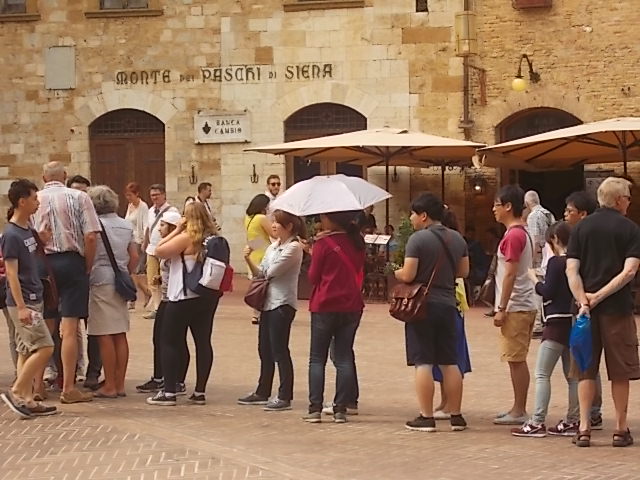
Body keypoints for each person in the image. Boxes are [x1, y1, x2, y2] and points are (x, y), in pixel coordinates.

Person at [566, 177, 640, 448]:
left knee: (585, 369)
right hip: (617, 309)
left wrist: (583, 299)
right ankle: (620, 428)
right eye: (628, 197)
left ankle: (584, 427)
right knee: (620, 371)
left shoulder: (581, 228)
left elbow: (571, 269)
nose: (629, 202)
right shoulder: (630, 229)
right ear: (619, 200)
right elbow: (629, 271)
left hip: (584, 312)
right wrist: (599, 296)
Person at [394, 194, 469, 433]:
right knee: (449, 360)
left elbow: (408, 274)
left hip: (423, 306)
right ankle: (456, 416)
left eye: (413, 214)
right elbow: (463, 271)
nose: (411, 218)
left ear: (424, 215)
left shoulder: (418, 239)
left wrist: (397, 273)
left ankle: (426, 416)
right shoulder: (457, 238)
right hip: (448, 304)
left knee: (423, 361)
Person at [32, 162, 100, 404]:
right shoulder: (80, 197)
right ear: (65, 176)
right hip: (71, 261)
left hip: (42, 264)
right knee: (70, 328)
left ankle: (37, 385)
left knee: (45, 326)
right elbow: (90, 236)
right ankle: (68, 387)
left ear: (43, 177)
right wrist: (87, 265)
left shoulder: (35, 199)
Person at [147, 202, 222, 406]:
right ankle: (200, 391)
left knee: (169, 341)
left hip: (183, 296)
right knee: (203, 342)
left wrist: (177, 229)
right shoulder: (212, 238)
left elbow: (159, 250)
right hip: (206, 296)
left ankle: (169, 392)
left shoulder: (187, 237)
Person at [510, 221, 578, 437]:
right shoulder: (577, 261)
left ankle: (537, 421)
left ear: (555, 239)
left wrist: (533, 279)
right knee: (572, 375)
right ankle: (574, 419)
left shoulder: (557, 262)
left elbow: (547, 291)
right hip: (572, 320)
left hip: (555, 322)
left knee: (542, 373)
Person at [0, 179, 57, 418]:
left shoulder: (26, 230)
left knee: (25, 350)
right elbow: (11, 273)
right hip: (24, 301)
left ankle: (28, 398)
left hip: (34, 296)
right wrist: (21, 306)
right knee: (45, 346)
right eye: (34, 198)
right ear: (22, 201)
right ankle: (16, 391)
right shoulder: (11, 235)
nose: (38, 202)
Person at [238, 210, 304, 411]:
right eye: (273, 222)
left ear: (289, 226)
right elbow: (260, 272)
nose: (273, 226)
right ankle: (262, 391)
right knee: (264, 348)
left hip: (282, 303)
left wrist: (262, 271)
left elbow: (271, 272)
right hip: (267, 302)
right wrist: (248, 259)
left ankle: (285, 395)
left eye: (277, 223)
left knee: (279, 350)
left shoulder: (294, 247)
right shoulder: (273, 246)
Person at [302, 210, 365, 424]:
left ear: (331, 219)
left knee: (317, 359)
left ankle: (315, 408)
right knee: (344, 357)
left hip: (325, 304)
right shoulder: (357, 242)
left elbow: (313, 277)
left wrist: (313, 254)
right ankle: (341, 409)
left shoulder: (324, 244)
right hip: (351, 305)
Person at [85, 186, 138, 399]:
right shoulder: (126, 224)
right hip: (120, 279)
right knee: (119, 332)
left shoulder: (94, 225)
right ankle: (120, 383)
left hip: (100, 278)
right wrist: (126, 272)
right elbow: (134, 255)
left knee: (104, 333)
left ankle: (109, 385)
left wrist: (87, 269)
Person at [491, 184, 536, 425]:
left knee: (516, 359)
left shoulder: (514, 235)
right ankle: (517, 407)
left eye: (497, 205)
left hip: (516, 304)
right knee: (515, 358)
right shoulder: (522, 233)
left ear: (508, 206)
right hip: (523, 302)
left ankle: (519, 409)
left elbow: (509, 273)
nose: (494, 209)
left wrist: (501, 308)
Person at [136, 210, 189, 395]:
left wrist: (177, 231)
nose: (159, 228)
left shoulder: (177, 242)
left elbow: (159, 249)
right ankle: (160, 377)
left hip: (175, 298)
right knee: (159, 338)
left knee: (174, 340)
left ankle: (177, 381)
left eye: (163, 225)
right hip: (167, 297)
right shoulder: (172, 242)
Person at [564, 190, 604, 431]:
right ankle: (592, 411)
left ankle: (589, 412)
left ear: (583, 214)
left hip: (586, 304)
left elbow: (573, 271)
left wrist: (583, 300)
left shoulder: (584, 238)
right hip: (588, 302)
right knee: (587, 359)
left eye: (570, 211)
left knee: (585, 360)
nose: (565, 215)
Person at [432, 208, 472, 422]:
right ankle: (444, 401)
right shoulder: (457, 241)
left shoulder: (443, 241)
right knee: (445, 355)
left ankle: (450, 403)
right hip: (454, 301)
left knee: (448, 355)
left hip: (449, 300)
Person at [143, 184, 179, 320]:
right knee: (152, 279)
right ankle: (157, 308)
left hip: (167, 248)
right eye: (152, 195)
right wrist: (145, 242)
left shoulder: (172, 211)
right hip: (152, 249)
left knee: (165, 278)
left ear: (164, 195)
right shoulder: (150, 210)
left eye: (157, 195)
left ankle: (167, 305)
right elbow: (148, 228)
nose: (154, 198)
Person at [524, 190, 555, 338]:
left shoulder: (533, 216)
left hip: (540, 257)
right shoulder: (548, 214)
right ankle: (545, 319)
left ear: (527, 203)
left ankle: (537, 324)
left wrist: (532, 259)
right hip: (551, 255)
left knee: (536, 287)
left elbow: (535, 239)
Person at [244, 194, 273, 324]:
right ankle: (259, 313)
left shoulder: (248, 218)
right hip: (263, 252)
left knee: (257, 284)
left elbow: (255, 237)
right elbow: (273, 234)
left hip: (253, 249)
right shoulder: (261, 218)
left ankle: (256, 314)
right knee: (264, 284)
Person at [124, 182, 151, 310]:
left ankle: (135, 297)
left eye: (130, 195)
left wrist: (145, 241)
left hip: (138, 241)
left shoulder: (143, 207)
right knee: (131, 271)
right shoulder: (130, 206)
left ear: (137, 194)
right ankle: (145, 292)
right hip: (129, 240)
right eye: (127, 195)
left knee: (135, 270)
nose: (128, 198)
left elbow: (146, 225)